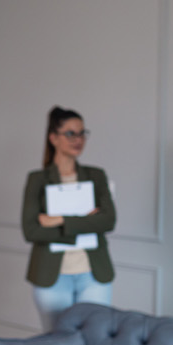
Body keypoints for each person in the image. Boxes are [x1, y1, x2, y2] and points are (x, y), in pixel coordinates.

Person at [21, 106, 116, 330]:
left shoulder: (96, 176)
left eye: (83, 133)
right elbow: (31, 231)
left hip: (94, 273)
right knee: (57, 340)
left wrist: (59, 220)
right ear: (53, 138)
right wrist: (85, 222)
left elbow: (108, 221)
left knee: (94, 337)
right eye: (71, 133)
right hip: (51, 275)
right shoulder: (38, 179)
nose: (79, 139)